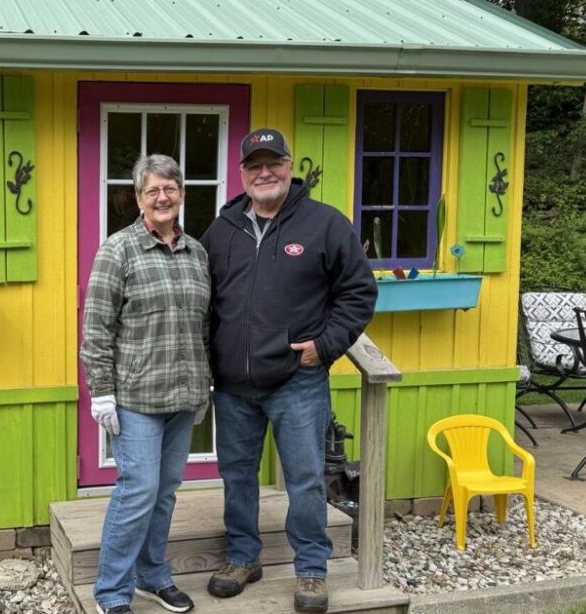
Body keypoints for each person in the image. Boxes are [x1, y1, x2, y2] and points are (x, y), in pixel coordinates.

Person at [200, 128, 376, 614]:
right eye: (254, 165)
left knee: (304, 478)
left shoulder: (325, 225)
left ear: (288, 164)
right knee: (237, 475)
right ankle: (243, 557)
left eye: (273, 162)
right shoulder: (222, 230)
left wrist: (326, 345)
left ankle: (312, 570)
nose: (264, 173)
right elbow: (204, 300)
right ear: (241, 174)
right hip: (233, 384)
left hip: (298, 380)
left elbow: (358, 293)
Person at [80, 154, 212, 614]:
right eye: (152, 190)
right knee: (138, 490)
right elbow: (96, 329)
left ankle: (152, 575)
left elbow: (204, 326)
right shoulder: (117, 250)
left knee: (165, 491)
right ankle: (112, 592)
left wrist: (204, 385)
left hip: (184, 394)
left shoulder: (197, 253)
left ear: (181, 194)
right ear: (138, 199)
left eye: (169, 188)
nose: (162, 197)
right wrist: (101, 392)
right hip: (136, 397)